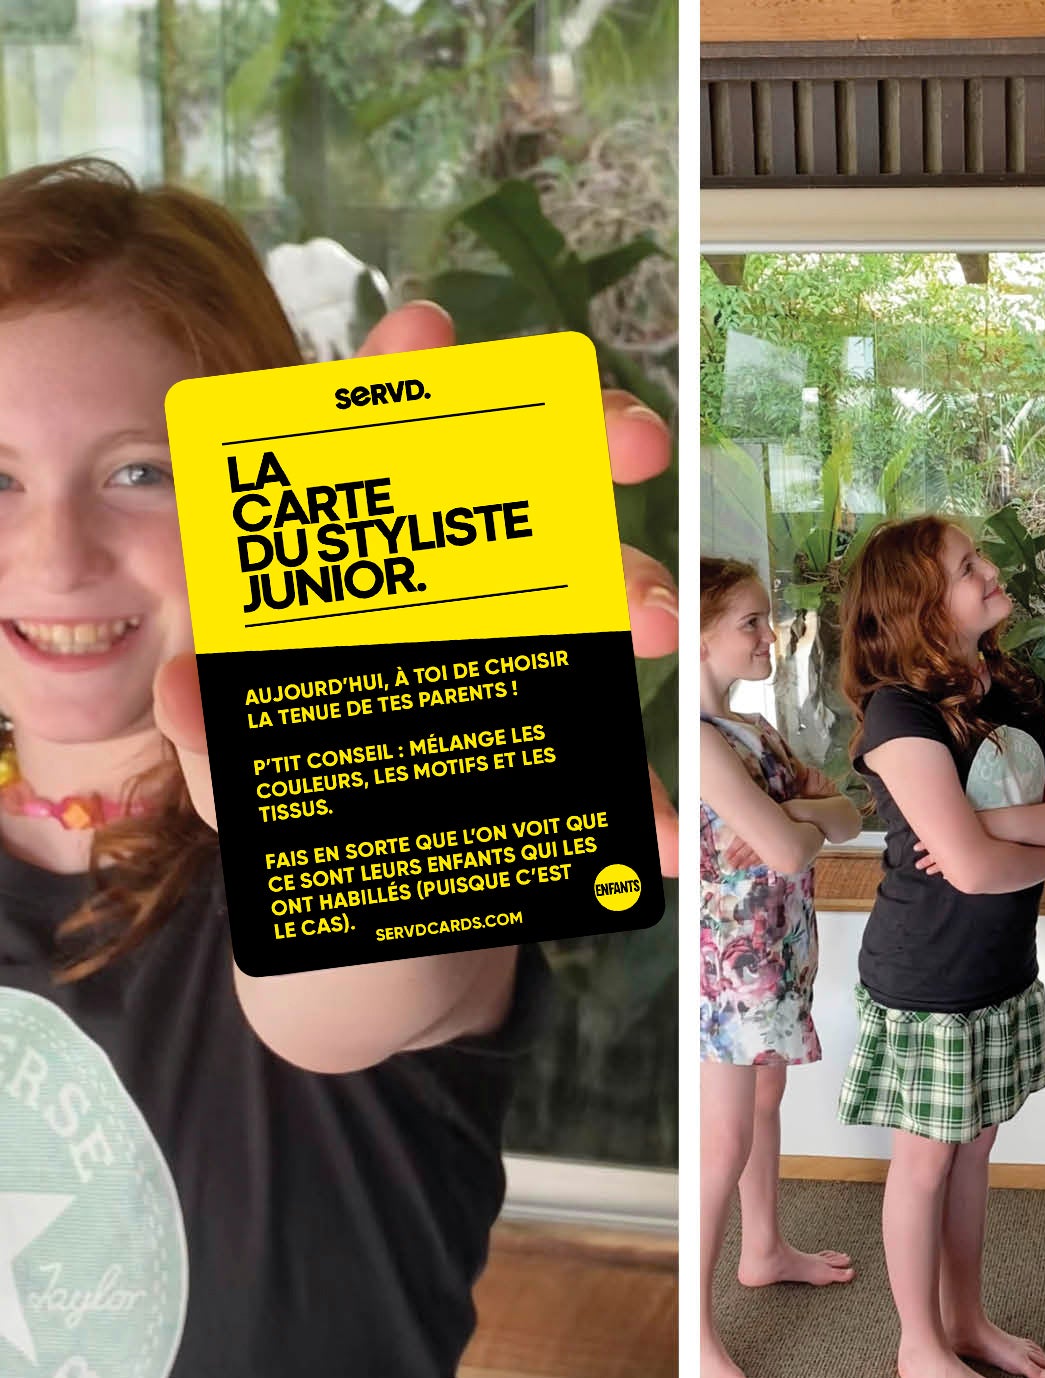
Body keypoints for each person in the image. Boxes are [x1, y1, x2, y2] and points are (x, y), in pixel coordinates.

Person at [0, 157, 679, 1376]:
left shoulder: (332, 823)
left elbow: (350, 991)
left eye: (141, 471)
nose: (57, 553)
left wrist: (376, 740)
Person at [836, 515, 1045, 1378]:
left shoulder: (1017, 684)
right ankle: (917, 1346)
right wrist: (1042, 844)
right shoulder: (900, 713)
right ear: (920, 606)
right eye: (966, 567)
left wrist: (990, 825)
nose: (990, 568)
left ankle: (965, 1321)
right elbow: (972, 871)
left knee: (974, 1151)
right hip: (926, 978)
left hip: (1002, 969)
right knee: (925, 1164)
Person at [695, 556, 861, 1378]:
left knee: (766, 1098)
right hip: (728, 971)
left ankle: (762, 1247)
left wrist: (790, 810)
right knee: (723, 1139)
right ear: (699, 638)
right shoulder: (698, 742)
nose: (771, 635)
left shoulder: (754, 732)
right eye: (751, 622)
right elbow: (793, 850)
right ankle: (692, 1332)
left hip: (777, 952)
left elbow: (849, 813)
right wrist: (797, 821)